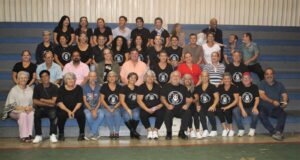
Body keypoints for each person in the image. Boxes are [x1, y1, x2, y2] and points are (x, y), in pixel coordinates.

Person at [258, 68, 289, 141]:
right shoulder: (261, 83)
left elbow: (284, 95)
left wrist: (284, 102)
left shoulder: (279, 85)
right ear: (264, 76)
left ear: (274, 75)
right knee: (261, 113)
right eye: (267, 74)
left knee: (283, 114)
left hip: (276, 108)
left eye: (271, 74)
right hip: (264, 107)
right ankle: (274, 132)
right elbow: (262, 95)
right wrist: (272, 101)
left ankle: (278, 132)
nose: (269, 76)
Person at [161, 71, 192, 140]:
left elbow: (189, 100)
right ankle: (169, 132)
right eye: (174, 76)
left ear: (180, 78)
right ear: (171, 77)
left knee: (187, 111)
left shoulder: (183, 88)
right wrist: (167, 105)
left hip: (180, 109)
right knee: (167, 111)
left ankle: (182, 132)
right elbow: (162, 98)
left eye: (177, 76)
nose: (175, 77)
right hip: (170, 109)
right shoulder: (166, 86)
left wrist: (187, 105)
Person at [56, 72, 86, 141]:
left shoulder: (79, 88)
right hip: (64, 108)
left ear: (75, 80)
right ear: (65, 80)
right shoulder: (61, 89)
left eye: (73, 79)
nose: (71, 80)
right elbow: (59, 103)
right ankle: (61, 134)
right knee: (61, 114)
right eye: (68, 79)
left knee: (81, 114)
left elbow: (80, 102)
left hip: (76, 108)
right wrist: (68, 111)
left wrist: (73, 111)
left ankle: (82, 134)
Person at [5, 71, 34, 142]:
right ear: (18, 79)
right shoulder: (14, 90)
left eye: (25, 78)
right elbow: (11, 105)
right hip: (14, 111)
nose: (23, 79)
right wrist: (24, 108)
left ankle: (29, 135)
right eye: (21, 78)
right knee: (23, 114)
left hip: (27, 110)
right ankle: (23, 136)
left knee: (31, 113)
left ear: (28, 79)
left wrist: (31, 107)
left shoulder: (30, 89)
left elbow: (33, 102)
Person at [32, 70, 58, 143]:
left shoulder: (54, 87)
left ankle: (53, 134)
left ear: (49, 77)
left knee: (54, 114)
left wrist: (42, 99)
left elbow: (53, 102)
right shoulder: (37, 87)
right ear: (40, 79)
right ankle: (38, 135)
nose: (45, 78)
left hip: (51, 109)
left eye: (46, 76)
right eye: (42, 77)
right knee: (36, 114)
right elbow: (35, 101)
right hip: (41, 108)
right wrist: (47, 103)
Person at [137, 70, 165, 139]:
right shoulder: (141, 87)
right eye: (148, 76)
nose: (150, 78)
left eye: (152, 76)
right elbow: (139, 100)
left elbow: (162, 100)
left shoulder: (158, 87)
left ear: (154, 78)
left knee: (162, 113)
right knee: (142, 114)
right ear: (145, 78)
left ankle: (155, 131)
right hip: (146, 107)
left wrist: (158, 107)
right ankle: (149, 130)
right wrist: (147, 109)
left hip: (156, 107)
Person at [233, 72, 259, 137]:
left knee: (255, 112)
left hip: (251, 107)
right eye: (244, 78)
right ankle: (241, 129)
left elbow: (257, 99)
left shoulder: (254, 87)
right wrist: (242, 110)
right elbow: (239, 100)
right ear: (241, 80)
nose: (245, 79)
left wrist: (255, 107)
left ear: (251, 80)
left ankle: (252, 129)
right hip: (243, 107)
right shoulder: (240, 87)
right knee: (235, 110)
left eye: (247, 78)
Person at [194, 71, 219, 137]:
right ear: (201, 77)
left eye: (206, 76)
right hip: (203, 106)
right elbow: (196, 99)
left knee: (209, 112)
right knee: (201, 111)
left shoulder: (212, 86)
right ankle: (205, 130)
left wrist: (213, 105)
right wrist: (197, 105)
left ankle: (214, 130)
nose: (204, 78)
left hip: (212, 106)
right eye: (203, 76)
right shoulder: (197, 87)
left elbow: (217, 97)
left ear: (208, 77)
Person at [100, 71, 122, 139]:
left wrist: (115, 107)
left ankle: (117, 132)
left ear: (116, 78)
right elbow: (102, 100)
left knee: (117, 114)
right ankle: (111, 132)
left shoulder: (120, 87)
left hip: (117, 106)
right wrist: (108, 108)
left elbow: (121, 100)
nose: (112, 78)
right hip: (106, 106)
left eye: (113, 76)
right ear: (107, 78)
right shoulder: (104, 86)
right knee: (108, 114)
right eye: (110, 76)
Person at [83, 71, 104, 140]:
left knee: (101, 114)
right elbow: (85, 101)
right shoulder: (84, 87)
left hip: (98, 107)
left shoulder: (100, 87)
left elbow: (100, 100)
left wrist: (95, 109)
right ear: (88, 77)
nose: (92, 78)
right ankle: (96, 133)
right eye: (91, 76)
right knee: (88, 115)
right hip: (87, 108)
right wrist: (92, 110)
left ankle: (91, 133)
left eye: (94, 76)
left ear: (96, 78)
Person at [216, 73, 239, 137]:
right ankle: (225, 129)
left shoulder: (234, 87)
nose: (226, 80)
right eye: (225, 79)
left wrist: (227, 107)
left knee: (227, 111)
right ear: (223, 80)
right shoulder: (220, 87)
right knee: (218, 110)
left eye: (228, 79)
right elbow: (217, 98)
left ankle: (231, 129)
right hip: (222, 105)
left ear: (231, 79)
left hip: (231, 105)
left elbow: (236, 100)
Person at [119, 72, 141, 139]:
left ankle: (132, 132)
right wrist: (128, 109)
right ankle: (133, 132)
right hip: (125, 107)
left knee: (136, 115)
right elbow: (121, 101)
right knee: (126, 115)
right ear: (128, 79)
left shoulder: (138, 88)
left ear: (136, 80)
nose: (133, 79)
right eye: (131, 77)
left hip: (135, 107)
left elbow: (139, 100)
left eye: (135, 78)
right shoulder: (123, 88)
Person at [182, 74, 201, 139]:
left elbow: (196, 98)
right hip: (184, 106)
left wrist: (195, 104)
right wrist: (190, 100)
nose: (187, 80)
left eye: (189, 79)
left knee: (195, 114)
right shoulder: (181, 88)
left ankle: (198, 131)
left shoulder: (194, 88)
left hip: (193, 106)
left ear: (191, 81)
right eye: (186, 79)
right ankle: (191, 130)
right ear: (183, 80)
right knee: (188, 112)